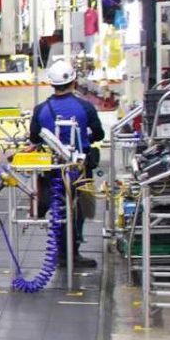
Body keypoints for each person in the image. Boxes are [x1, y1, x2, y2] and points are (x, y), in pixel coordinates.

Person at [31, 59, 104, 269]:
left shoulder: (41, 109)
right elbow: (99, 134)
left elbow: (34, 138)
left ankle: (62, 251)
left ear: (52, 84)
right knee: (78, 209)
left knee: (58, 207)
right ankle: (72, 252)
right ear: (74, 82)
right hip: (80, 169)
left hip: (51, 171)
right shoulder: (85, 107)